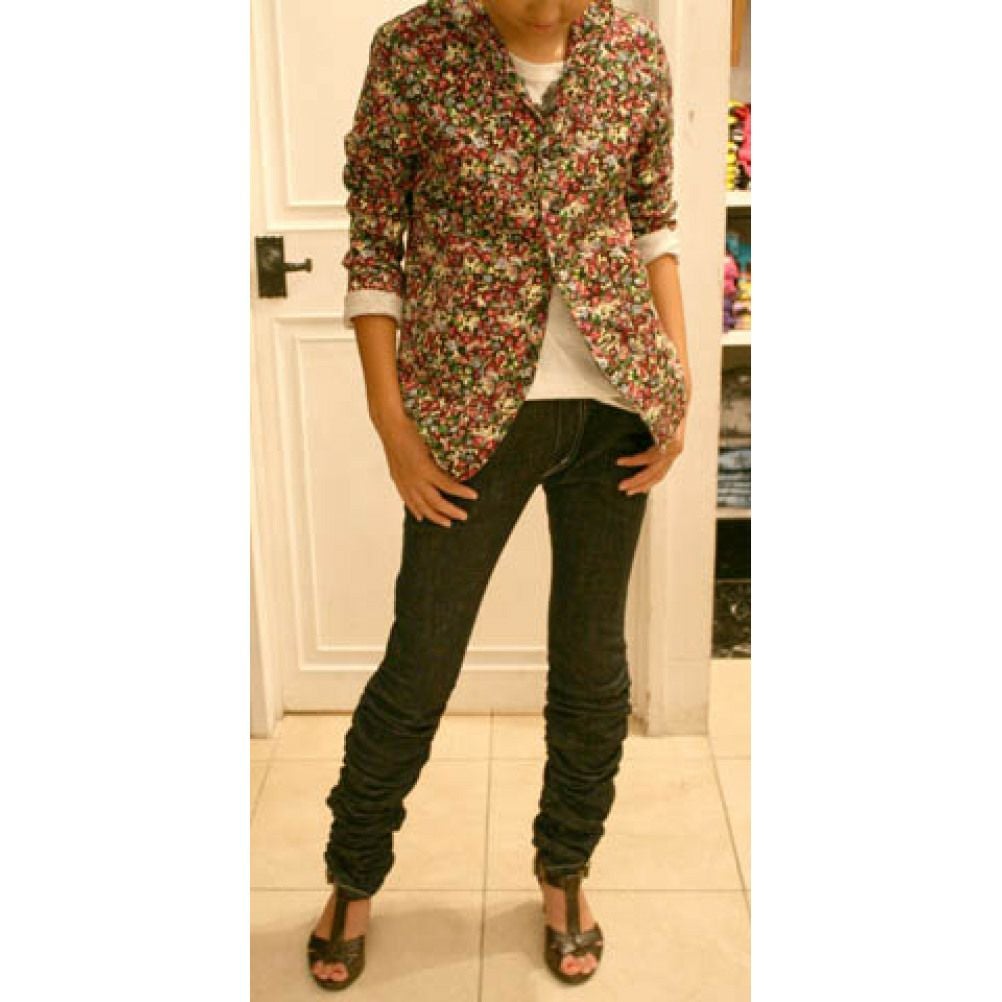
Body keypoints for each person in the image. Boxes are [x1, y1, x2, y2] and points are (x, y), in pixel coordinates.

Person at [307, 0, 692, 989]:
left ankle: (565, 870)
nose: (551, 7)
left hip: (616, 406)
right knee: (421, 661)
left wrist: (679, 379)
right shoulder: (415, 52)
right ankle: (353, 876)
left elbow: (653, 220)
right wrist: (392, 424)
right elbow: (375, 243)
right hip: (470, 411)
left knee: (594, 665)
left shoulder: (630, 50)